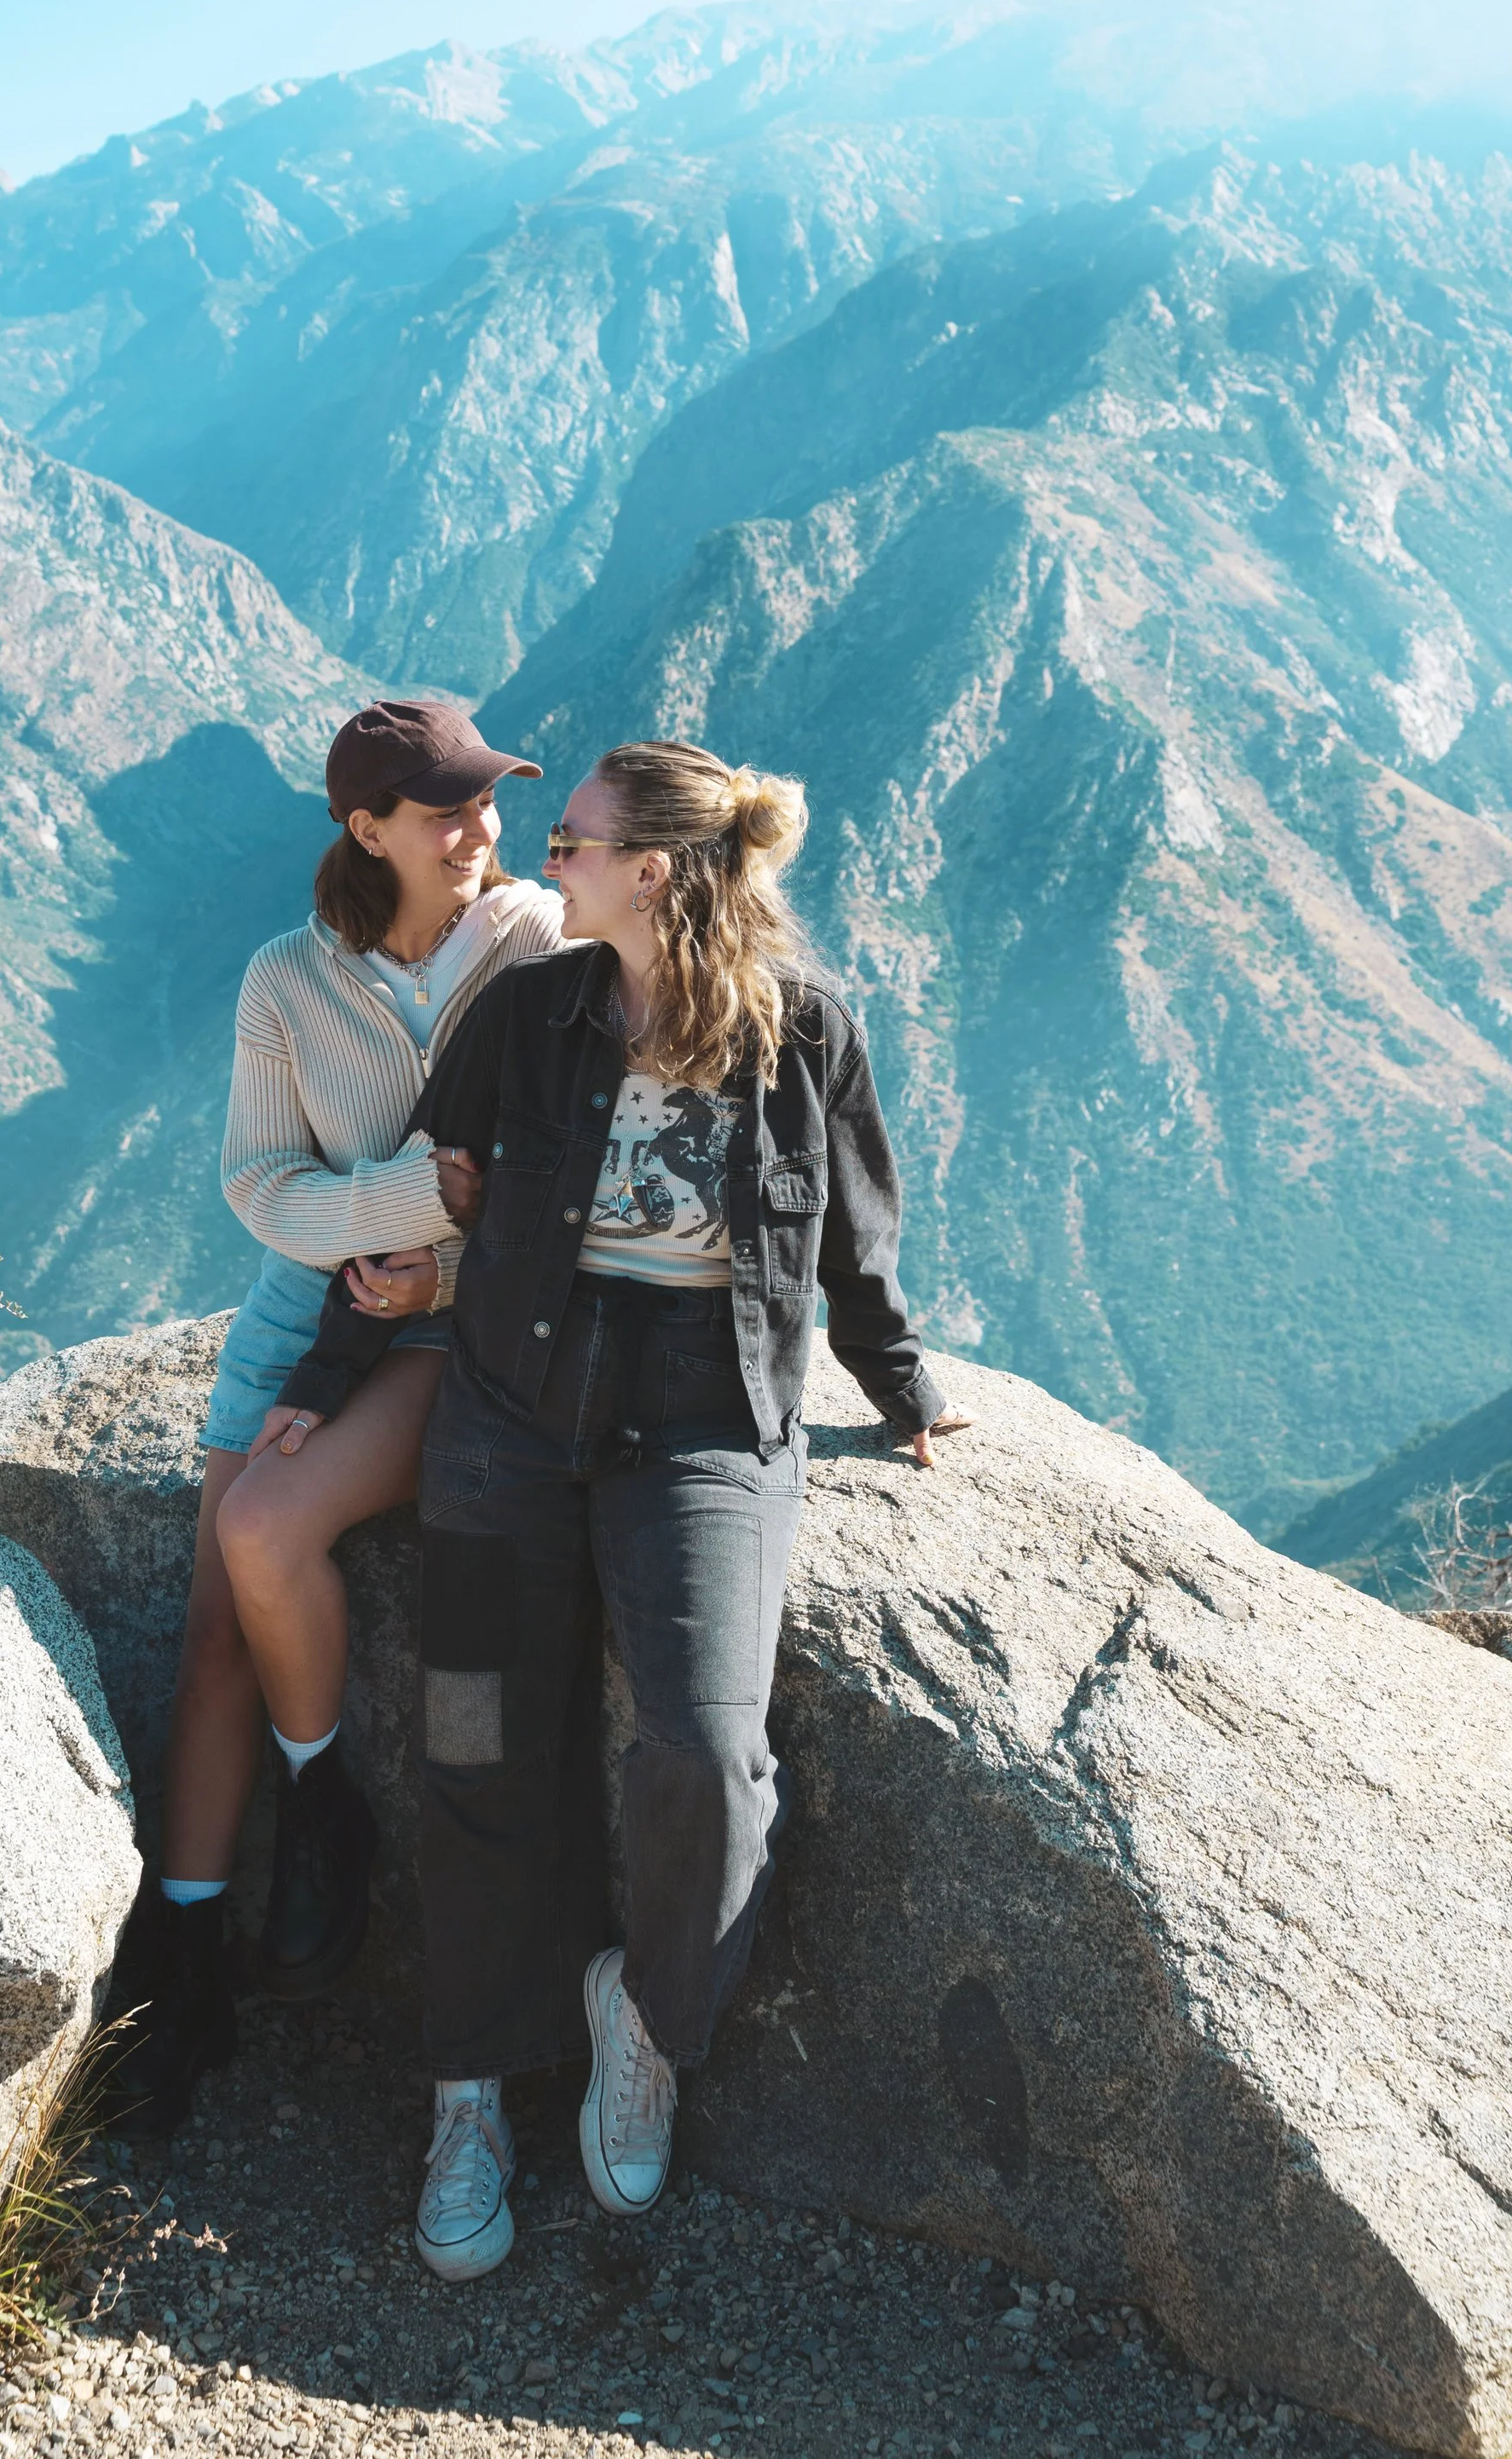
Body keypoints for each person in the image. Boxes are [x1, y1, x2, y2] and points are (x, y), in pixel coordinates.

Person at [397, 736, 969, 2277]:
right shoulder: (526, 1010)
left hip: (706, 1422)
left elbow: (854, 1247)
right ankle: (469, 2087)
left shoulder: (808, 1036)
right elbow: (435, 1192)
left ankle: (645, 2016)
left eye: (570, 843)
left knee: (712, 1754)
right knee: (470, 1742)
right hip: (513, 1406)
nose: (543, 864)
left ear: (652, 872)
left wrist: (902, 1388)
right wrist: (351, 1333)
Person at [113, 698, 562, 2133]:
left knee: (266, 1526)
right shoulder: (284, 983)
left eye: (487, 800)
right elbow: (260, 1187)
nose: (480, 828)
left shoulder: (541, 943)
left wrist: (432, 1255)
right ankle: (184, 1966)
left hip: (447, 1331)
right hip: (303, 1317)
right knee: (207, 1641)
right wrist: (411, 1204)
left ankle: (317, 1802)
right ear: (367, 830)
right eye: (446, 810)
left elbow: (557, 1172)